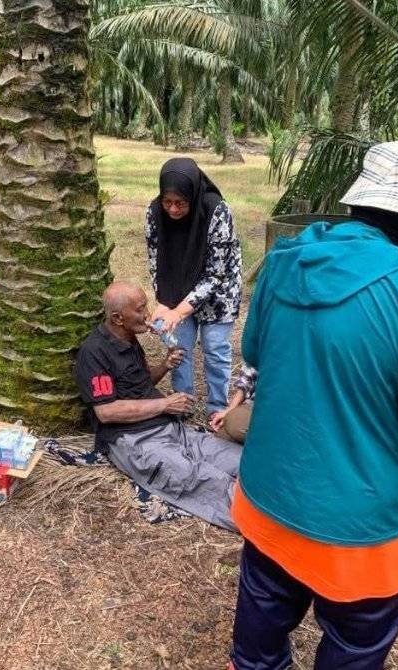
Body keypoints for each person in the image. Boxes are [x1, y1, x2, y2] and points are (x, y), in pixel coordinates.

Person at [228, 141, 398, 670]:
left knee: (258, 645)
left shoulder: (283, 262)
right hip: (362, 534)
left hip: (269, 500)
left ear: (358, 204)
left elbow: (256, 353)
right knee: (356, 643)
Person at [73, 281, 243, 530]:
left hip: (172, 429)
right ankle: (266, 524)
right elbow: (106, 412)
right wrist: (164, 404)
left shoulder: (129, 339)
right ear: (118, 318)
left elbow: (140, 384)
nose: (148, 314)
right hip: (135, 440)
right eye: (140, 309)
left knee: (242, 460)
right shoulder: (94, 353)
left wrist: (165, 365)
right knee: (205, 481)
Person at [146, 157, 242, 421]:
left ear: (193, 195)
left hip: (219, 293)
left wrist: (178, 312)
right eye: (167, 202)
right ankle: (182, 403)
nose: (173, 209)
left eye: (181, 203)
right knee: (179, 348)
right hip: (176, 289)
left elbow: (215, 274)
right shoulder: (154, 212)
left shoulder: (217, 210)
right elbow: (155, 261)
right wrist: (164, 301)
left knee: (215, 349)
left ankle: (217, 409)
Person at [208, 363, 256, 443]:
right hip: (255, 404)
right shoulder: (258, 357)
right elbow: (246, 382)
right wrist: (228, 411)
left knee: (236, 426)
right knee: (222, 437)